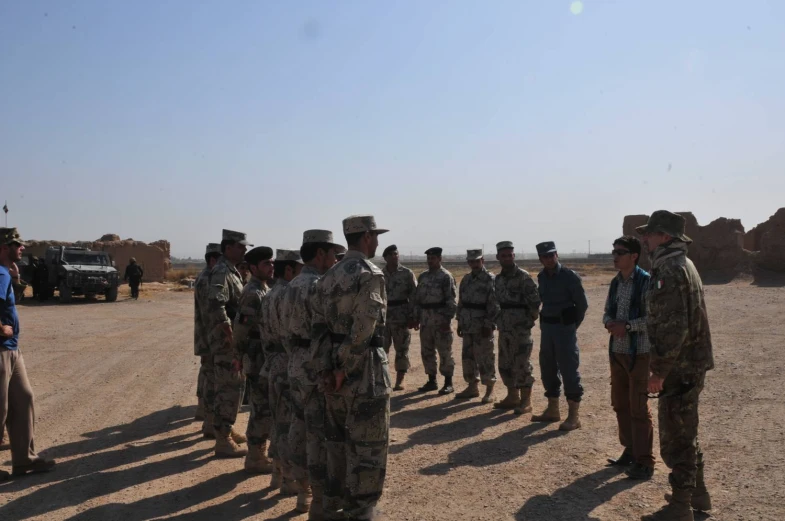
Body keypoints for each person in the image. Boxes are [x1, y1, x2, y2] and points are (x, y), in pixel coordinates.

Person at [312, 214, 390, 521]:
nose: (378, 242)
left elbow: (317, 329)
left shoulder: (328, 276)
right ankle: (361, 514)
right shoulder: (369, 273)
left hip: (334, 379)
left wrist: (326, 372)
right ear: (367, 237)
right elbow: (364, 327)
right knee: (368, 451)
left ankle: (333, 511)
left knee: (337, 448)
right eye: (376, 236)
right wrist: (344, 366)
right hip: (364, 375)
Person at [638, 211, 714, 521]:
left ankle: (681, 507)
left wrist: (659, 371)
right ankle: (697, 493)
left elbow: (673, 327)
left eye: (650, 234)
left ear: (665, 237)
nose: (645, 239)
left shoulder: (669, 270)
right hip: (690, 363)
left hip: (680, 367)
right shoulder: (685, 264)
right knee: (687, 428)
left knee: (676, 437)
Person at [281, 230, 344, 517]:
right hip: (317, 368)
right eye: (331, 253)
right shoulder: (320, 286)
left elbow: (283, 331)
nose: (334, 259)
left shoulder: (290, 286)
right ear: (320, 254)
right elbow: (327, 331)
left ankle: (301, 492)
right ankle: (319, 503)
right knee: (319, 434)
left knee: (298, 427)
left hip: (295, 363)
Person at [0, 227, 56, 482]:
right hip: (1, 349)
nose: (21, 247)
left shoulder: (5, 273)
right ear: (3, 247)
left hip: (12, 349)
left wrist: (15, 279)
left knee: (23, 399)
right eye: (16, 244)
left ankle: (23, 460)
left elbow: (9, 303)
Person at [602, 236, 655, 480]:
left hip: (639, 353)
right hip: (618, 351)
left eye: (620, 252)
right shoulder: (616, 283)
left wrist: (628, 326)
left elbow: (653, 319)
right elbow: (606, 312)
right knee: (620, 404)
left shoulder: (646, 282)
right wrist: (610, 323)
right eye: (614, 251)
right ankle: (630, 450)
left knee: (638, 408)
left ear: (634, 256)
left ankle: (645, 461)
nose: (615, 256)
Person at [531, 241, 588, 432]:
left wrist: (571, 326)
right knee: (547, 367)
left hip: (564, 329)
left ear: (557, 255)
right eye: (545, 256)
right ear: (540, 258)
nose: (548, 259)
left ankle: (573, 416)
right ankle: (553, 409)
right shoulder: (542, 277)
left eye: (551, 255)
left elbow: (582, 306)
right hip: (547, 329)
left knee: (569, 369)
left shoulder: (569, 277)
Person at [260, 249, 303, 495]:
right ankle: (288, 481)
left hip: (272, 364)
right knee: (289, 425)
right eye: (298, 269)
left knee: (278, 422)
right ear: (289, 270)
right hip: (288, 364)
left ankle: (276, 474)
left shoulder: (269, 294)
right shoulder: (288, 294)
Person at [207, 229, 252, 457]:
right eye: (241, 246)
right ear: (228, 248)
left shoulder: (232, 271)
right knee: (228, 389)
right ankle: (222, 440)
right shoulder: (222, 271)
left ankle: (227, 428)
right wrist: (230, 333)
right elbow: (216, 304)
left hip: (233, 340)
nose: (244, 250)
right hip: (227, 343)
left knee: (236, 388)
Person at [233, 246, 275, 474]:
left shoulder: (264, 289)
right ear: (253, 267)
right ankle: (255, 456)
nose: (271, 267)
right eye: (266, 263)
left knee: (265, 406)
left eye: (272, 262)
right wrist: (238, 355)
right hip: (257, 357)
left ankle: (258, 452)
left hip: (264, 355)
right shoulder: (252, 292)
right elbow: (241, 328)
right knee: (261, 408)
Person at [493, 241, 541, 414]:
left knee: (521, 363)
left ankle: (526, 400)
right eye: (503, 255)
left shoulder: (523, 276)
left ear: (514, 256)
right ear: (498, 257)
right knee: (505, 363)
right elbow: (497, 302)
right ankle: (512, 396)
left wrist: (528, 321)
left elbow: (534, 301)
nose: (507, 258)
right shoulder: (498, 279)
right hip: (504, 327)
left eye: (510, 255)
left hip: (520, 328)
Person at [454, 249, 499, 403]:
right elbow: (461, 302)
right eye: (471, 261)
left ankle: (490, 389)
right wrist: (459, 320)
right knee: (468, 357)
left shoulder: (490, 279)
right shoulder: (466, 279)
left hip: (482, 325)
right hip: (467, 324)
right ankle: (472, 386)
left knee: (485, 357)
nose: (474, 264)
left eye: (476, 261)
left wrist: (489, 323)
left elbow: (494, 304)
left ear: (482, 261)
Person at [412, 247, 457, 395]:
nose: (430, 261)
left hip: (440, 320)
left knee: (444, 351)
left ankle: (448, 382)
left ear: (439, 259)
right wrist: (417, 317)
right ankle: (432, 381)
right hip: (426, 321)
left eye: (433, 258)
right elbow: (418, 300)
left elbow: (451, 301)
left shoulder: (446, 277)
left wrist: (447, 319)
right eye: (429, 259)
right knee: (427, 351)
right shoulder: (423, 276)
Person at [381, 244, 417, 391]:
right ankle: (383, 378)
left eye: (396, 254)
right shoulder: (379, 274)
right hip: (383, 317)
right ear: (386, 258)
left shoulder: (407, 273)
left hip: (401, 316)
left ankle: (400, 379)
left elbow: (414, 296)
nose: (394, 256)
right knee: (382, 350)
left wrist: (413, 316)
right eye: (391, 255)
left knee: (402, 348)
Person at [194, 243, 222, 424]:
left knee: (207, 372)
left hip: (207, 336)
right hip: (209, 337)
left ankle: (203, 409)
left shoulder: (206, 276)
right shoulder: (207, 279)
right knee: (210, 375)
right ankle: (209, 417)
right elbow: (210, 313)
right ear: (213, 259)